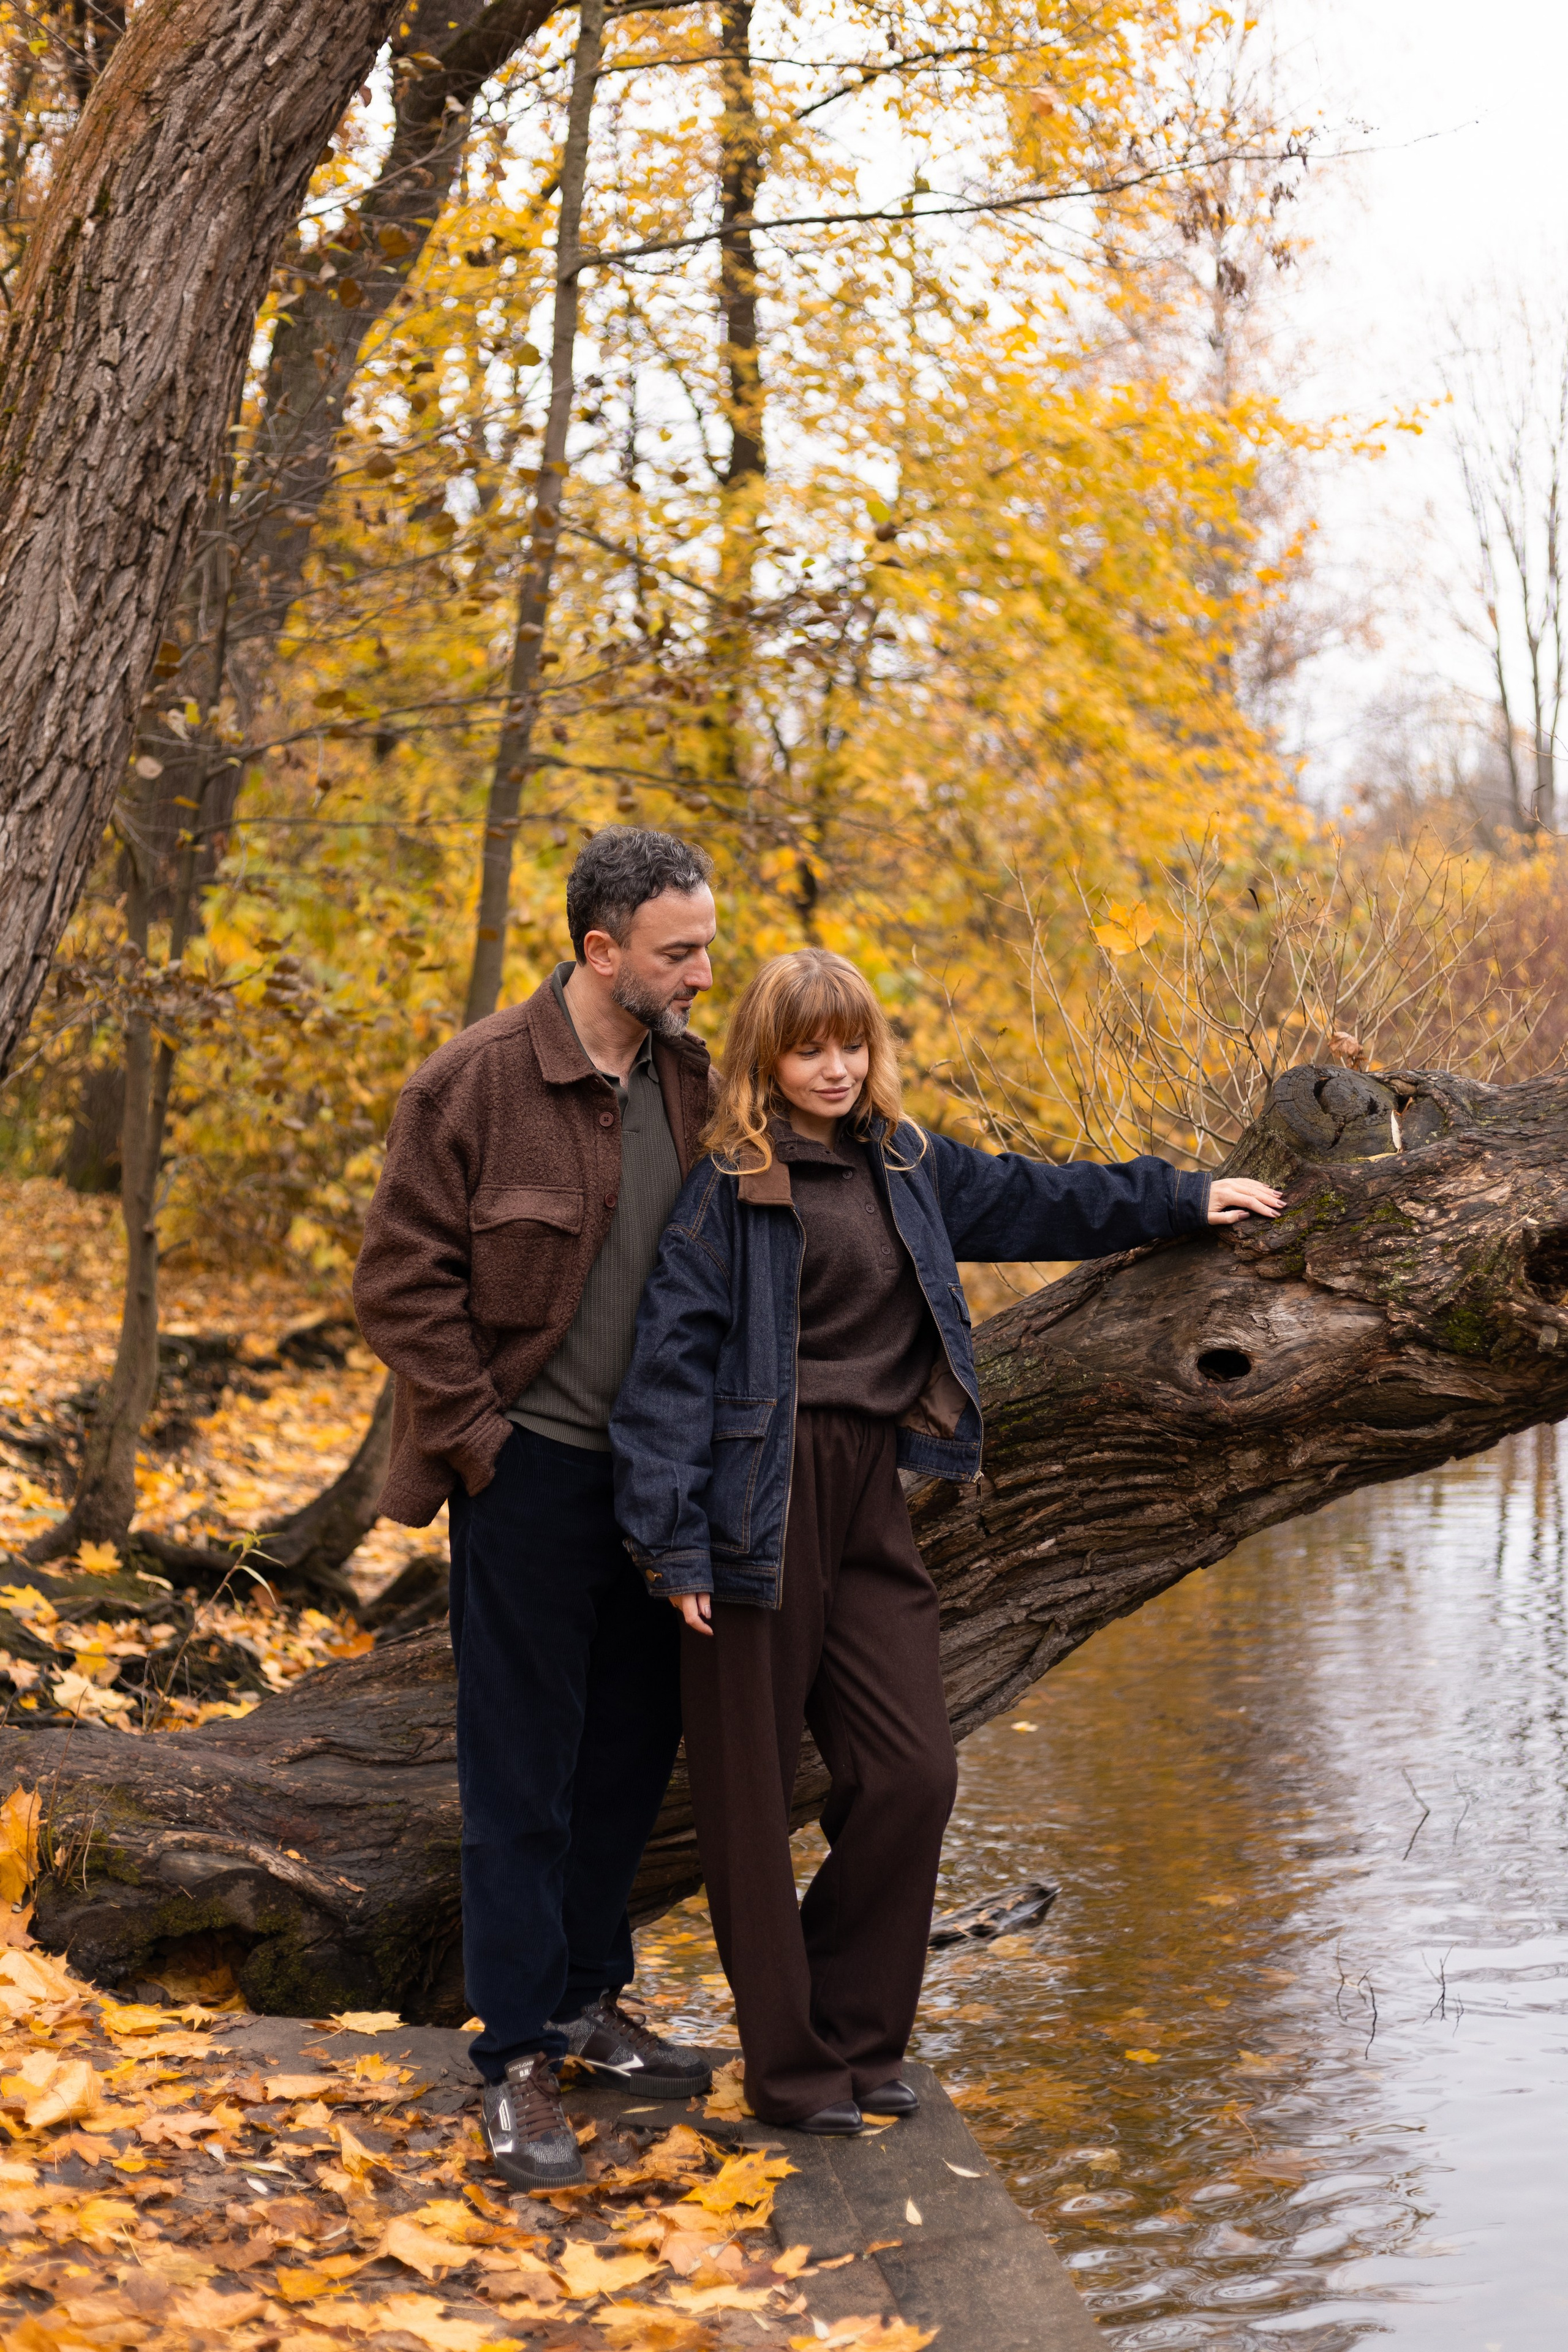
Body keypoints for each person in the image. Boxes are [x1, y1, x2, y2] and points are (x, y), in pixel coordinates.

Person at [609, 947, 1283, 2134]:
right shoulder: (732, 1187)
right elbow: (665, 1369)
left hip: (871, 1491)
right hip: (752, 1497)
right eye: (808, 1050)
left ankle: (857, 2038)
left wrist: (1184, 1197)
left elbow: (1044, 1198)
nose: (834, 1068)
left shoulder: (907, 1163)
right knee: (748, 1802)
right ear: (767, 1060)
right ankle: (791, 2073)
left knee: (911, 1773)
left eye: (850, 1045)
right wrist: (672, 1545)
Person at [353, 828, 722, 2190]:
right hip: (527, 1478)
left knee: (628, 1760)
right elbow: (396, 1283)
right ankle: (514, 2061)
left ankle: (584, 2001)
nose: (701, 974)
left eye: (706, 947)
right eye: (678, 952)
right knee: (522, 1775)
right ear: (601, 950)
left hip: (663, 1487)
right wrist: (479, 1443)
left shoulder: (695, 1083)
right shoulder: (472, 1083)